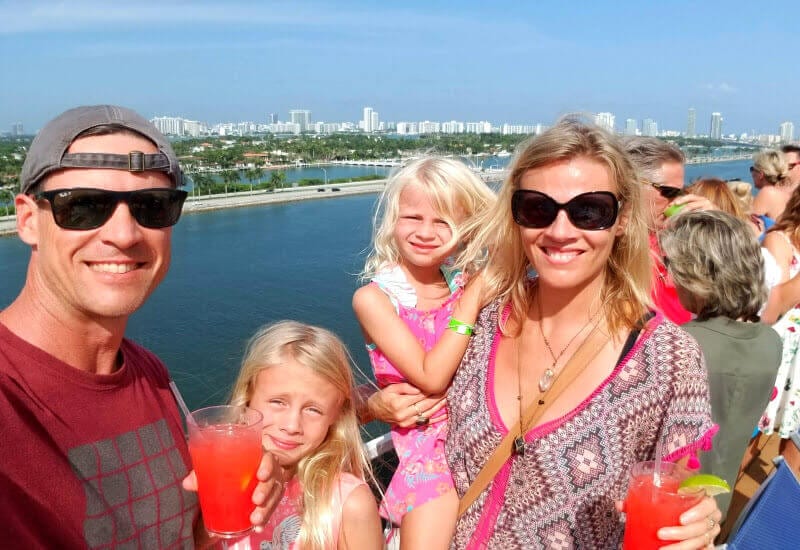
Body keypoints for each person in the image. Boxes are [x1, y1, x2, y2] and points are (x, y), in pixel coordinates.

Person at [0, 105, 281, 547]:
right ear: (29, 220)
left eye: (152, 206)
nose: (125, 234)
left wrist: (221, 517)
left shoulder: (152, 377)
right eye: (85, 206)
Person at [444, 118, 720, 548]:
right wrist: (377, 403)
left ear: (623, 218)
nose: (559, 231)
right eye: (537, 207)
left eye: (589, 210)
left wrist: (699, 523)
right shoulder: (481, 321)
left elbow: (679, 487)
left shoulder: (667, 358)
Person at [352, 157, 495, 549]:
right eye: (412, 217)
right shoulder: (376, 299)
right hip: (429, 452)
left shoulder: (465, 283)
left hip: (480, 435)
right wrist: (469, 305)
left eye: (444, 220)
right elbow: (430, 376)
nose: (425, 232)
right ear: (393, 220)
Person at [659, 210, 781, 521]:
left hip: (666, 502)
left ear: (699, 275)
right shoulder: (770, 342)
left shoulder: (680, 344)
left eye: (671, 265)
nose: (669, 277)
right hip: (717, 500)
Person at [224, 321, 383, 550]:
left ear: (336, 416)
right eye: (278, 402)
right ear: (248, 395)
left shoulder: (349, 504)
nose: (291, 426)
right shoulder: (216, 478)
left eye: (313, 409)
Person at [621, 136, 716, 325]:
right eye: (670, 192)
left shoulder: (668, 240)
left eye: (681, 193)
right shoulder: (610, 247)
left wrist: (715, 228)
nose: (676, 202)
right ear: (632, 184)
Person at [759, 184, 800, 451]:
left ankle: (782, 492)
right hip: (780, 350)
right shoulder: (779, 240)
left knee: (793, 435)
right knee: (757, 433)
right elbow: (772, 309)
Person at [751, 148, 794, 223]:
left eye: (752, 169)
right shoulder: (786, 192)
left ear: (761, 175)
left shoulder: (767, 192)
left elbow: (747, 226)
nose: (751, 173)